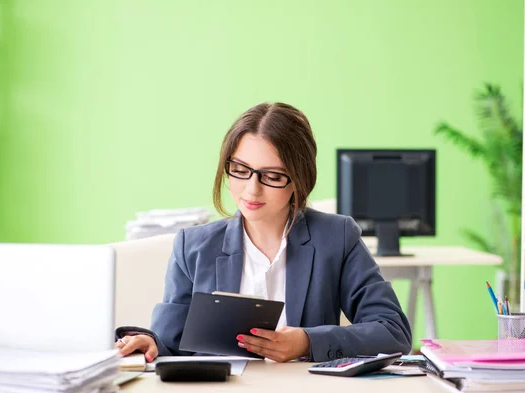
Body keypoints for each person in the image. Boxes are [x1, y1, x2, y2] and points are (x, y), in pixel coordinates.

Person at [115, 102, 412, 363]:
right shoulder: (192, 247)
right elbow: (170, 342)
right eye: (241, 170)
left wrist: (307, 342)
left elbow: (393, 331)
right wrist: (151, 343)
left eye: (272, 176)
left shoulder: (336, 238)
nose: (252, 189)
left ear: (299, 180)